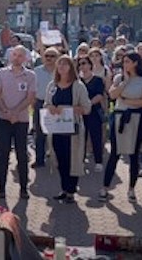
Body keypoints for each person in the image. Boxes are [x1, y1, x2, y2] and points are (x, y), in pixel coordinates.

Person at [99, 52, 142, 203]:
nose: (125, 64)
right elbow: (113, 95)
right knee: (115, 152)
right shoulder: (119, 78)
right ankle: (105, 187)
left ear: (135, 63)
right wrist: (125, 82)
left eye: (128, 61)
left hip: (137, 118)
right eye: (124, 62)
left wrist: (127, 100)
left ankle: (131, 189)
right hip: (119, 117)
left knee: (134, 154)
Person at [0, 45, 37, 199]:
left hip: (21, 120)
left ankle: (24, 188)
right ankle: (1, 189)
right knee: (3, 154)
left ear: (25, 58)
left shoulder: (30, 75)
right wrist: (6, 111)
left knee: (21, 154)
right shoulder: (2, 73)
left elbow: (30, 97)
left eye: (20, 55)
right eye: (14, 54)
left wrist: (16, 112)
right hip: (3, 119)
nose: (16, 57)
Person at [44, 56, 90, 204]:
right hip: (56, 130)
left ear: (71, 67)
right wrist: (49, 107)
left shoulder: (78, 86)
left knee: (73, 160)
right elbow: (46, 104)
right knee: (60, 160)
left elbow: (86, 108)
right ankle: (64, 189)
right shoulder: (52, 85)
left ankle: (71, 190)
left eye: (65, 64)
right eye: (60, 64)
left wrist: (68, 109)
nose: (62, 67)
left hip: (73, 131)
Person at [77, 56, 107, 173]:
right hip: (80, 113)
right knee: (81, 137)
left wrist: (88, 104)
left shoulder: (98, 80)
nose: (82, 66)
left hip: (94, 112)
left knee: (96, 137)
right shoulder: (78, 81)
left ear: (90, 65)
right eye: (80, 64)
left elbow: (100, 95)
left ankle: (98, 161)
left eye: (84, 63)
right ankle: (81, 160)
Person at [32, 48, 60, 168]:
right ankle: (39, 160)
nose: (49, 58)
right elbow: (32, 89)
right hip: (40, 103)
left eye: (52, 56)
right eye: (47, 55)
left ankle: (59, 160)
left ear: (57, 58)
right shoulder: (36, 71)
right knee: (40, 133)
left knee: (58, 134)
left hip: (57, 105)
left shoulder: (61, 71)